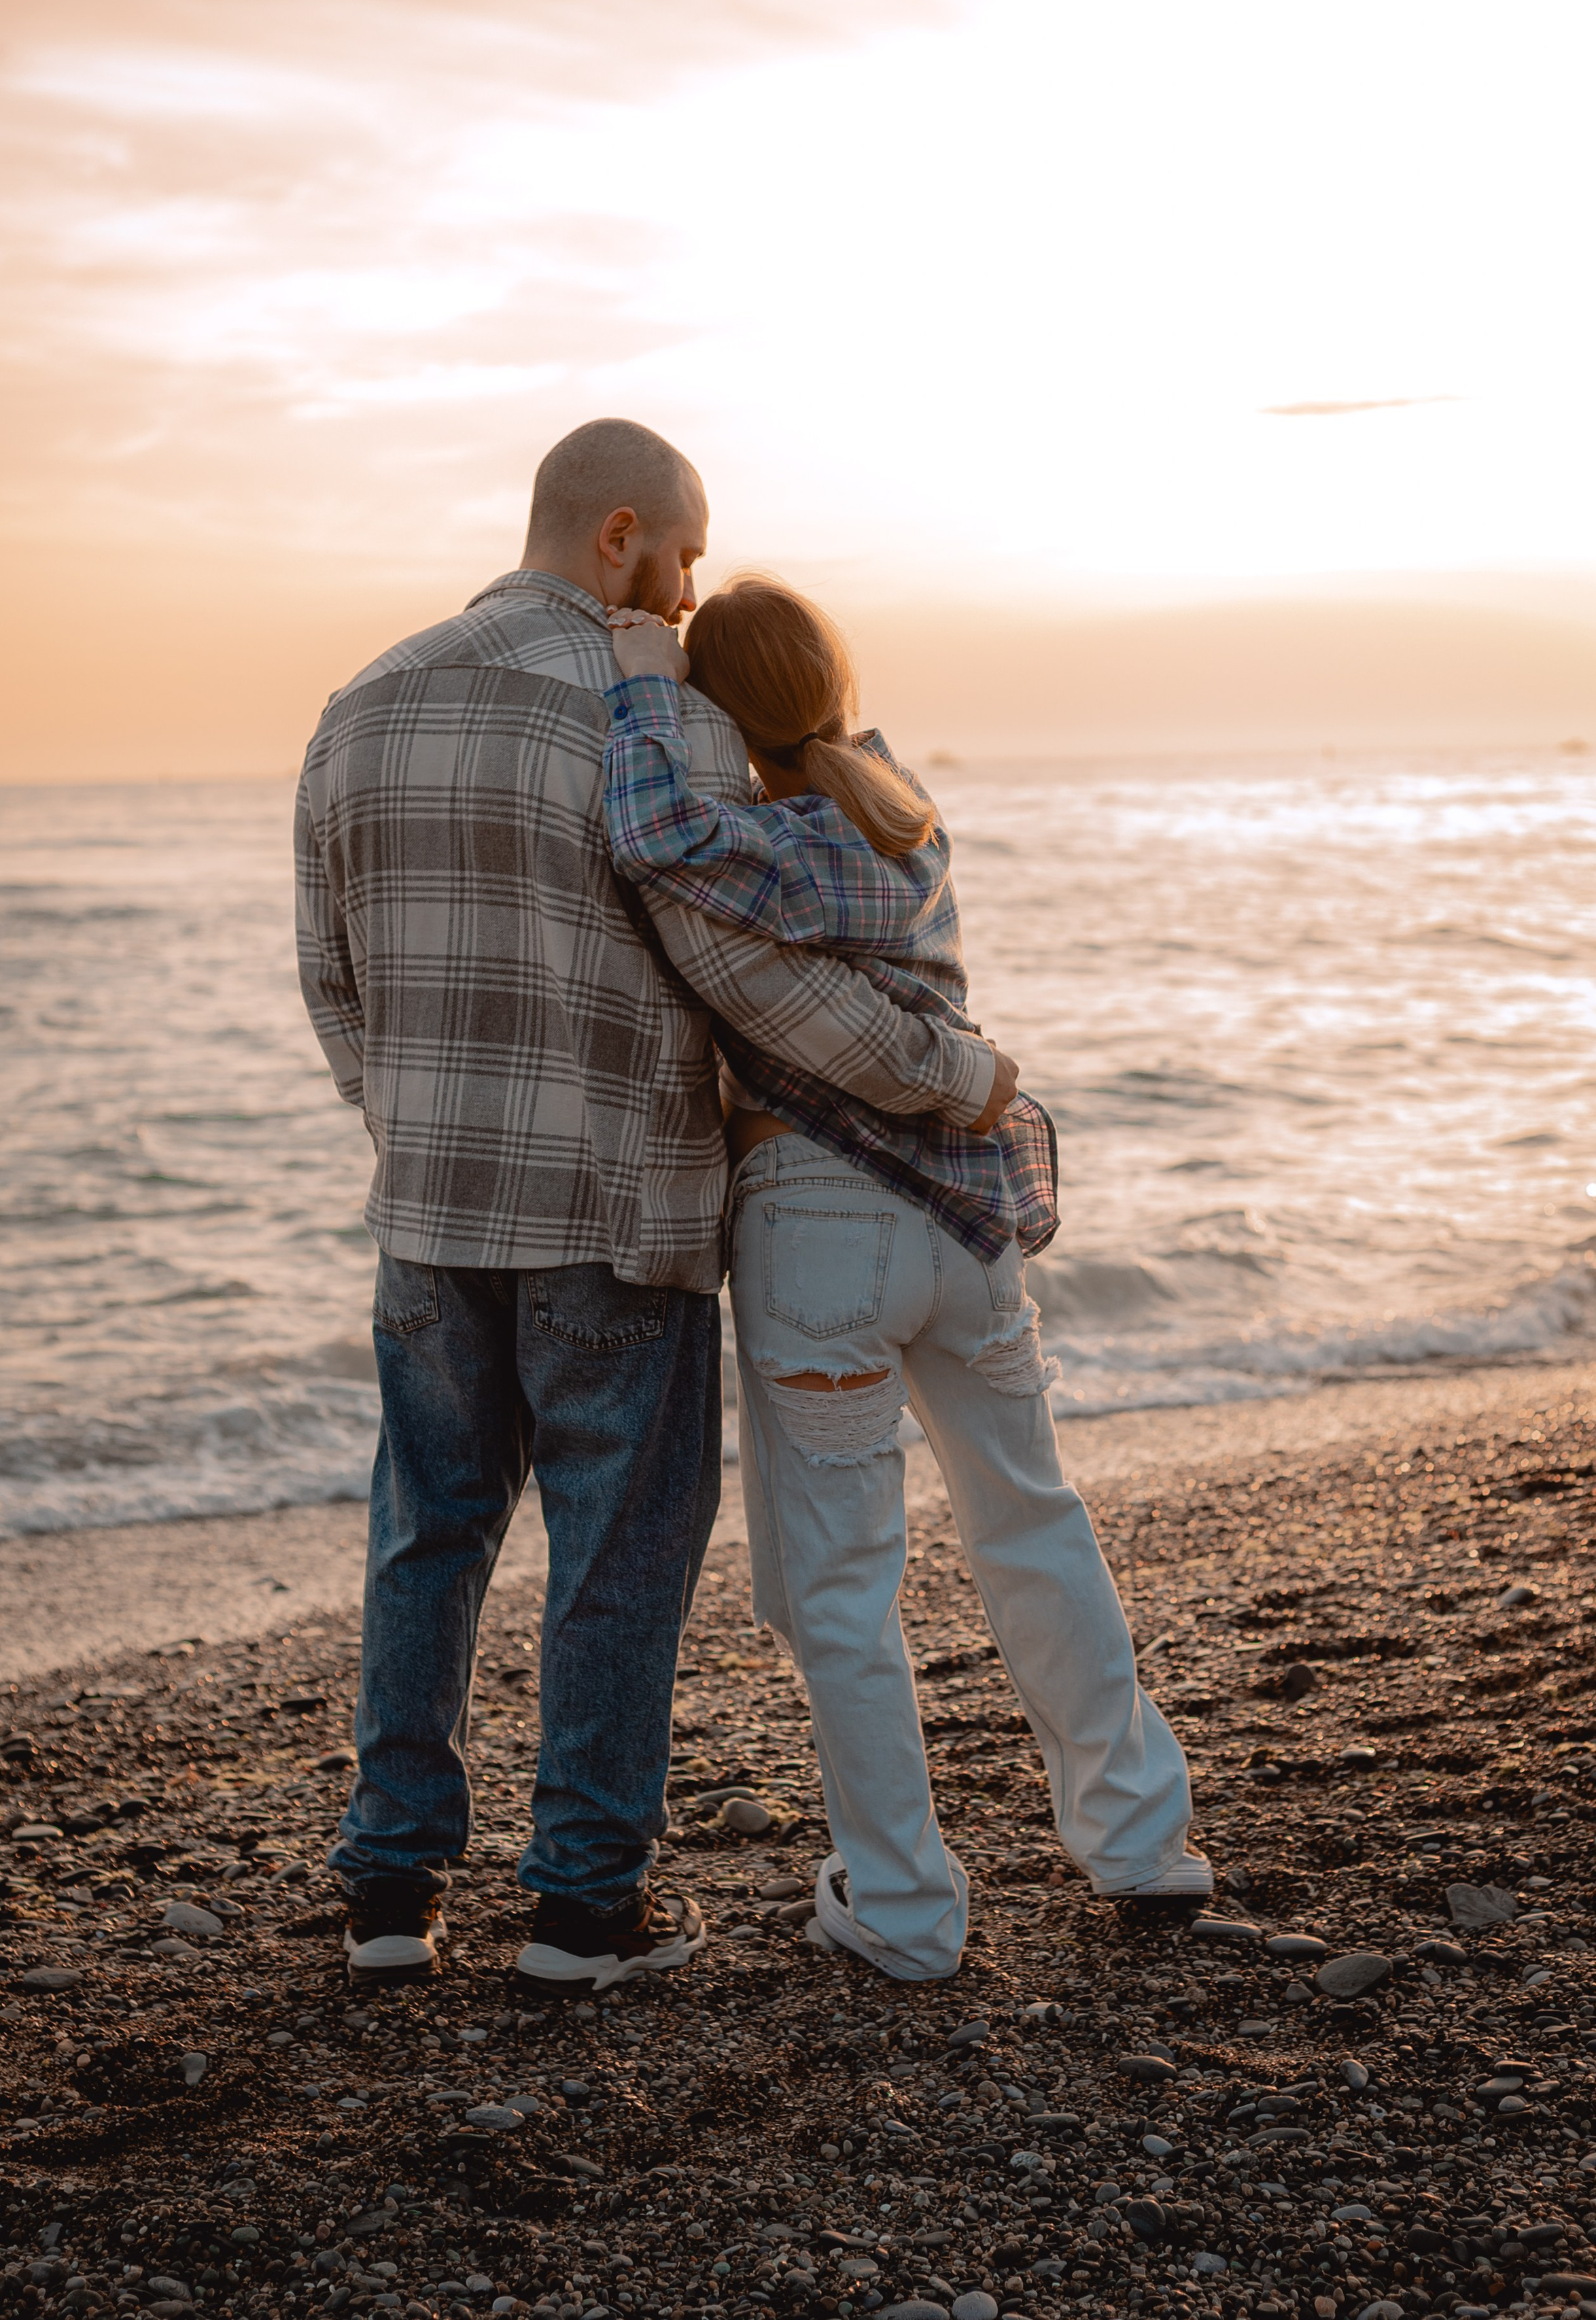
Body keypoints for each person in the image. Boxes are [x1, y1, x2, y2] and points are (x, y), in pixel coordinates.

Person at [294, 421, 1018, 1992]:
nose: (692, 598)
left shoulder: (360, 703)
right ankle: (577, 1913)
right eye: (686, 559)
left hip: (427, 1209)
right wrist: (948, 1075)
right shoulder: (654, 715)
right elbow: (739, 971)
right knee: (618, 1552)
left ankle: (389, 1899)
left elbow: (332, 988)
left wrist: (418, 1128)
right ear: (619, 536)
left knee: (427, 1534)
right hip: (612, 1212)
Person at [600, 572, 1210, 1981]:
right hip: (965, 1228)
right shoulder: (898, 815)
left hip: (821, 1222)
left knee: (841, 1587)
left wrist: (639, 687)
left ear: (718, 716)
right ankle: (1140, 1840)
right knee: (1032, 1523)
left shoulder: (770, 844)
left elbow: (647, 836)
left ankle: (904, 1907)